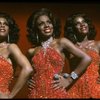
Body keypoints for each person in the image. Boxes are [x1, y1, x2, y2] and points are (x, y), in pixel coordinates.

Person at [26, 8, 91, 99]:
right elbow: (22, 71)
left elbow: (87, 58)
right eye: (41, 24)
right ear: (36, 29)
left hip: (56, 92)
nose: (46, 25)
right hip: (35, 93)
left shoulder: (62, 42)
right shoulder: (32, 51)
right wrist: (28, 80)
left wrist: (69, 79)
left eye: (49, 22)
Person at [64, 12, 100, 98]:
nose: (82, 24)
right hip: (75, 89)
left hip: (94, 89)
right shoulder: (69, 48)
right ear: (72, 29)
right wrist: (63, 76)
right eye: (77, 23)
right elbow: (55, 65)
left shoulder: (98, 45)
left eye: (84, 21)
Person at [0, 12, 33, 98]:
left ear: (9, 29)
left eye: (5, 24)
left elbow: (28, 68)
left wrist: (11, 96)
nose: (2, 25)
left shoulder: (10, 47)